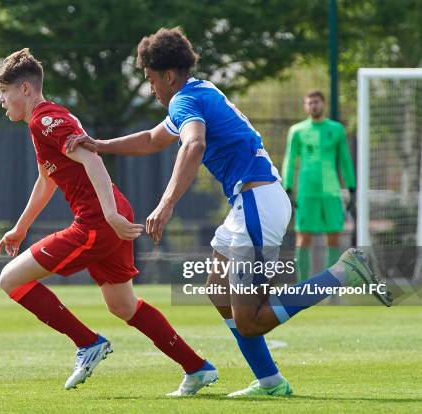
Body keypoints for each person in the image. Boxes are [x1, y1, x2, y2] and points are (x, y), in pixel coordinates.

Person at [67, 27, 391, 397]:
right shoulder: (199, 91)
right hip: (251, 202)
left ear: (168, 76)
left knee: (250, 321)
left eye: (151, 79)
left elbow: (194, 145)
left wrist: (166, 203)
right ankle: (270, 381)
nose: (151, 88)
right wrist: (99, 144)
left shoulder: (183, 101)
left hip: (257, 203)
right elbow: (153, 139)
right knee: (217, 290)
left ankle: (343, 271)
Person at [0, 48, 217, 395]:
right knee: (123, 306)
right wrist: (20, 228)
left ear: (24, 89)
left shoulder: (45, 120)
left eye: (4, 92)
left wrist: (110, 215)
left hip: (98, 221)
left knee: (11, 279)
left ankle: (88, 343)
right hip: (107, 216)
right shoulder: (43, 122)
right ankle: (197, 367)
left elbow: (92, 159)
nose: (1, 100)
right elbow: (46, 180)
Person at [282, 91, 356, 281]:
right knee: (303, 239)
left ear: (323, 104)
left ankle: (330, 288)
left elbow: (345, 159)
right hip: (306, 191)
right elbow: (290, 159)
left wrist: (351, 186)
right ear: (306, 107)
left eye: (316, 102)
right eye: (310, 103)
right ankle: (302, 287)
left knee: (333, 238)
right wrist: (288, 186)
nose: (313, 105)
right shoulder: (297, 130)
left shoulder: (336, 129)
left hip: (331, 192)